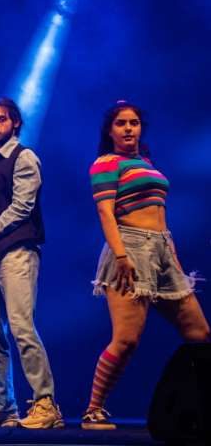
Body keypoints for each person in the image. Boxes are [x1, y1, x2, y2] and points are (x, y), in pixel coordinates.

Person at [82, 100, 210, 429]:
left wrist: (173, 258)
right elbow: (105, 213)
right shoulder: (106, 163)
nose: (129, 128)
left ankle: (198, 407)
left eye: (134, 123)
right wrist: (121, 256)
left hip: (162, 249)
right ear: (110, 131)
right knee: (126, 340)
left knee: (199, 332)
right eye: (121, 123)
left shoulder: (146, 164)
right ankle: (93, 410)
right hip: (130, 246)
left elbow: (160, 214)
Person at [0, 97, 63, 429]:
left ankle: (45, 403)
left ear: (15, 123)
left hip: (17, 251)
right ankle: (3, 406)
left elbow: (23, 206)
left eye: (2, 119)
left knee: (21, 327)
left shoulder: (23, 157)